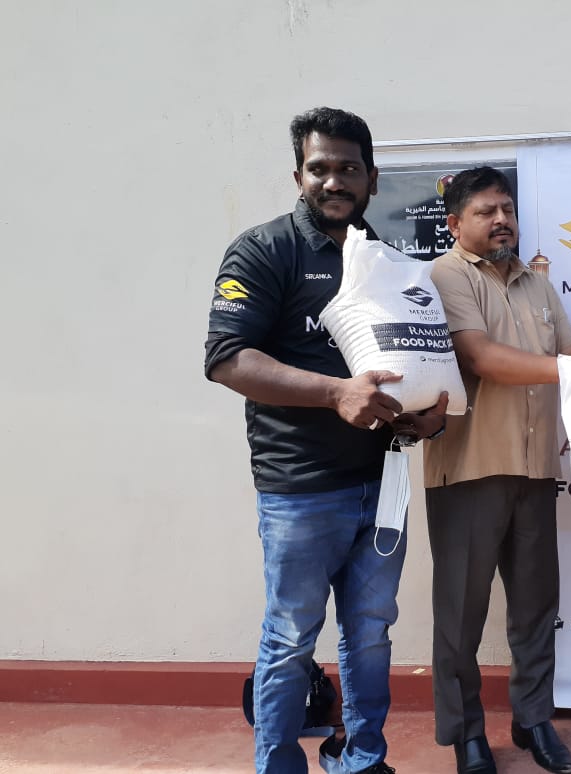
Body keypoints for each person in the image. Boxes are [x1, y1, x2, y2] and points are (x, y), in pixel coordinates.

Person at [205, 107, 447, 774]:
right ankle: (279, 765)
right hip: (300, 492)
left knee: (370, 637)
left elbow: (411, 366)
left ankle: (362, 757)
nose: (333, 181)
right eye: (320, 168)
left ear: (371, 179)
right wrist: (335, 392)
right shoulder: (264, 251)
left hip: (382, 485)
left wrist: (429, 418)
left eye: (347, 169)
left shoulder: (391, 261)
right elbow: (227, 358)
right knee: (289, 639)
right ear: (298, 175)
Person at [423, 166, 571, 774]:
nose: (501, 219)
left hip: (532, 470)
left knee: (534, 607)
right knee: (461, 613)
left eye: (507, 208)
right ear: (455, 224)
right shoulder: (444, 276)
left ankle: (533, 721)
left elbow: (570, 352)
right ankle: (466, 734)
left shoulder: (536, 283)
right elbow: (481, 358)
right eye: (485, 211)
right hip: (469, 470)